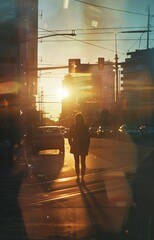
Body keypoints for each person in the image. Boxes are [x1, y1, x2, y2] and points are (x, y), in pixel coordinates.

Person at [68, 112, 90, 183]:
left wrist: (71, 144)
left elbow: (69, 137)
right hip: (83, 147)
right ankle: (82, 177)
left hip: (76, 147)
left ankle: (78, 176)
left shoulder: (73, 127)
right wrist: (87, 147)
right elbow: (88, 138)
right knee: (83, 162)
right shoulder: (85, 127)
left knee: (77, 162)